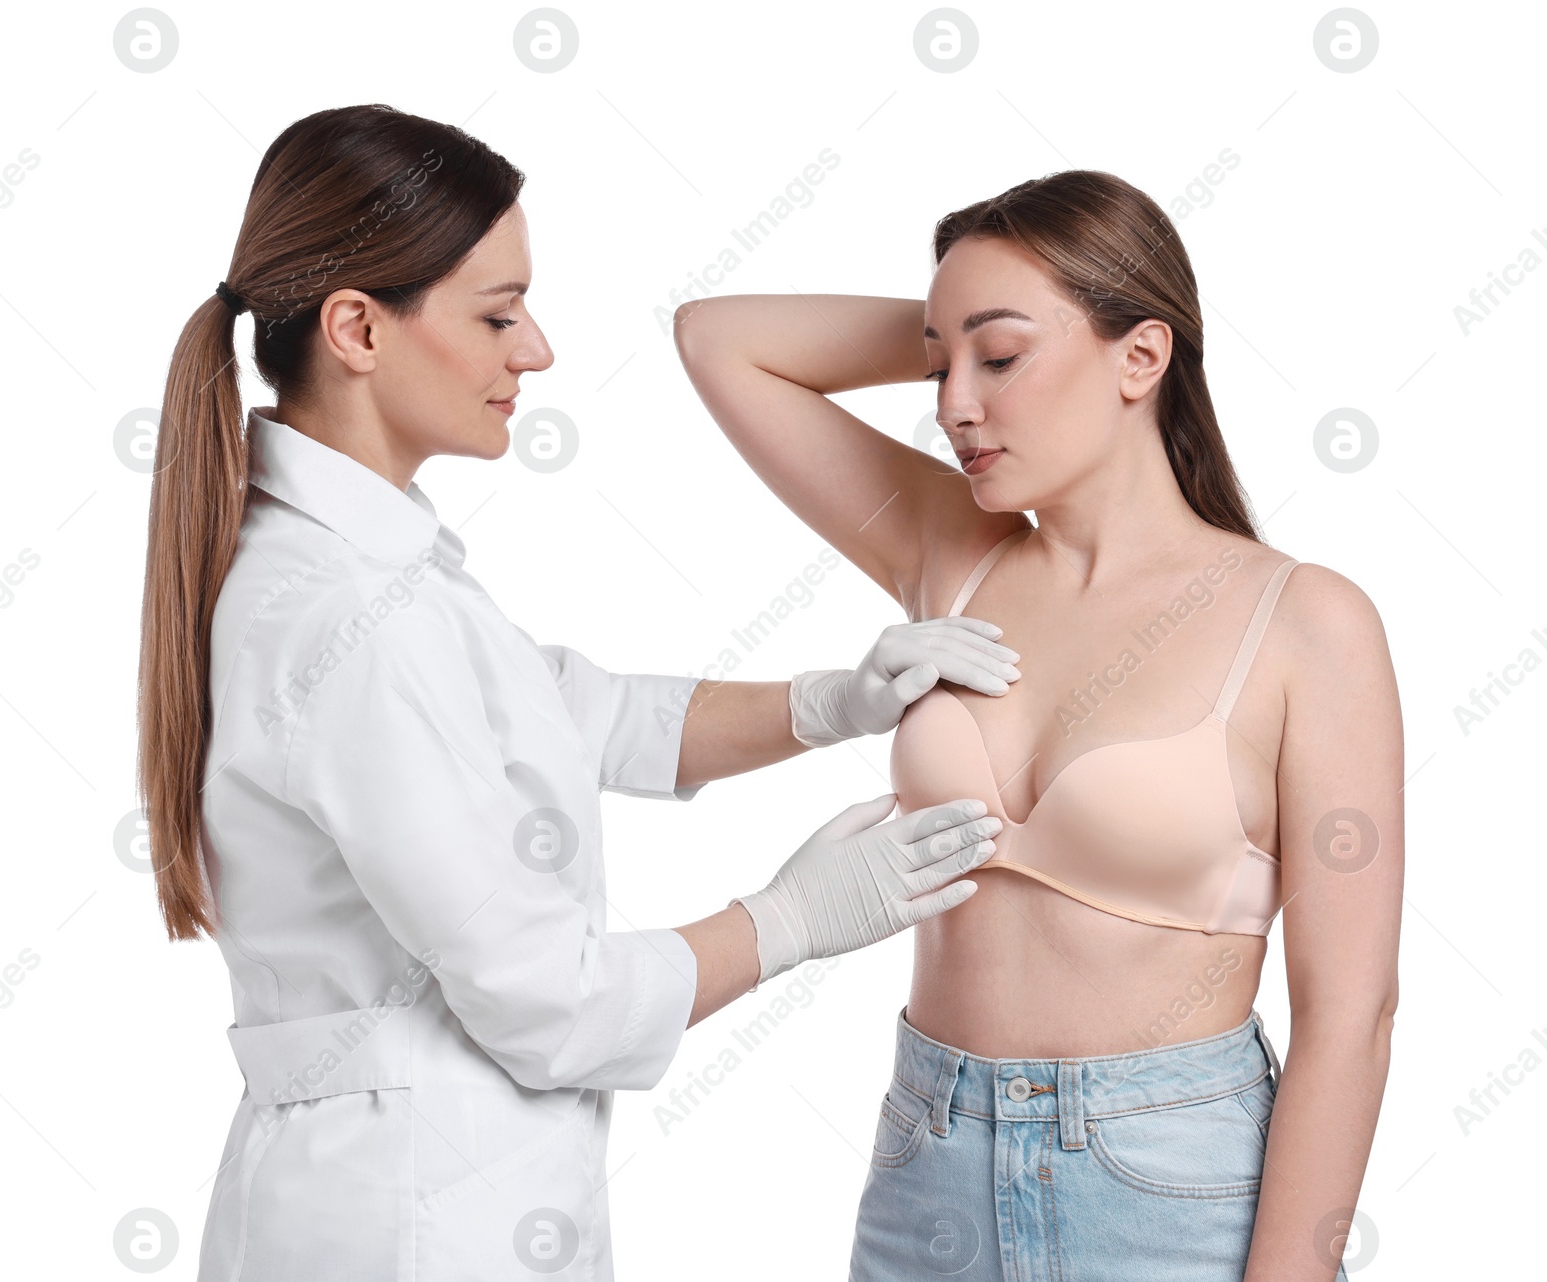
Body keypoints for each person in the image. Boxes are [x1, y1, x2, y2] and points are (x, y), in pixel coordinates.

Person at [135, 103, 1027, 1281]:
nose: (537, 349)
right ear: (357, 327)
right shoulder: (346, 623)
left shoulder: (368, 568)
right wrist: (790, 919)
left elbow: (568, 710)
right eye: (498, 312)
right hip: (405, 1226)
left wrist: (829, 702)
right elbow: (549, 1002)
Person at [672, 169, 1402, 1282]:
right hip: (930, 1159)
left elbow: (1350, 1010)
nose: (952, 403)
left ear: (1141, 356)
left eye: (999, 359)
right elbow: (716, 338)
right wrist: (962, 318)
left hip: (1174, 1180)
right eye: (935, 366)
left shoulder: (1304, 620)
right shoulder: (949, 553)